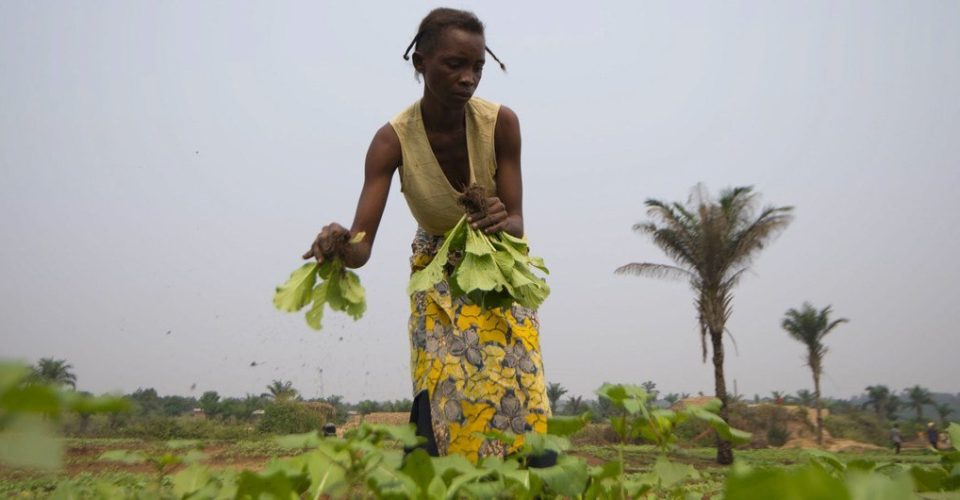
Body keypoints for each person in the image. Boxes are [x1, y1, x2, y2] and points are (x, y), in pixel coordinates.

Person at [303, 8, 553, 465]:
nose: (468, 78)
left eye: (476, 66)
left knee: (518, 391)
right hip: (437, 276)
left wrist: (501, 216)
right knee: (445, 392)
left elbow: (517, 222)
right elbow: (361, 249)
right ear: (420, 63)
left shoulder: (502, 124)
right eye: (453, 64)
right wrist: (339, 241)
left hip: (498, 273)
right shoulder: (391, 141)